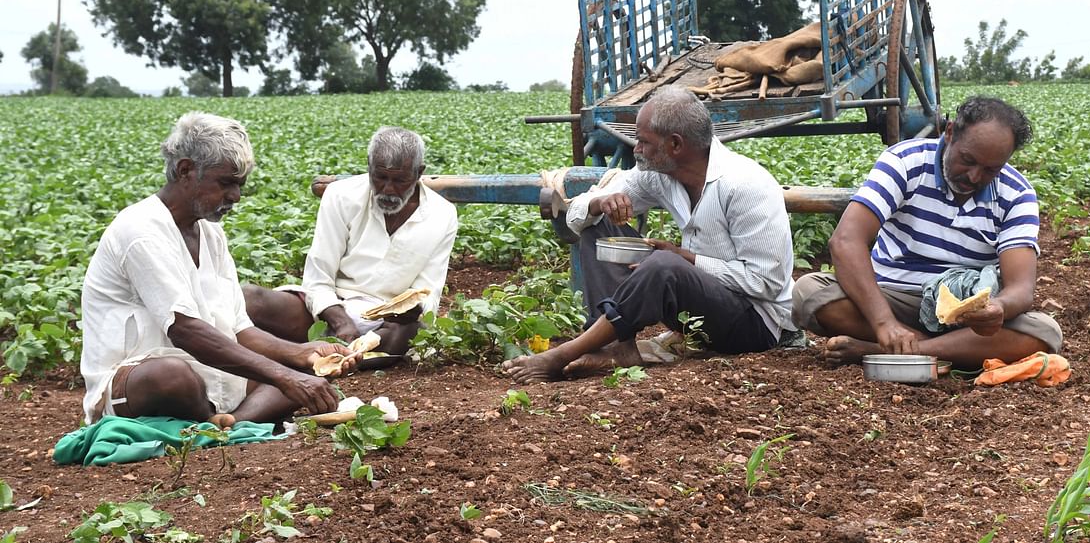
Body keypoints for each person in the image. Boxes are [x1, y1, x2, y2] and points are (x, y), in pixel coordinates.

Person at [503, 86, 795, 383]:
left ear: (675, 145)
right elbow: (579, 216)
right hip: (693, 316)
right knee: (600, 226)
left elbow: (766, 283)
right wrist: (598, 202)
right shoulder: (659, 175)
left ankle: (563, 354)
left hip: (755, 324)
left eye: (643, 141)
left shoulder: (745, 185)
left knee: (665, 266)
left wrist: (686, 259)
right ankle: (615, 347)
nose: (636, 149)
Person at [80, 113, 357, 426]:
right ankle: (226, 420)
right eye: (226, 183)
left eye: (239, 185)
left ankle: (228, 424)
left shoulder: (209, 232)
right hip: (138, 383)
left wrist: (301, 354)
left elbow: (240, 329)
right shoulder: (141, 231)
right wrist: (283, 376)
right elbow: (185, 330)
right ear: (186, 170)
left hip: (212, 378)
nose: (235, 196)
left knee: (308, 375)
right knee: (171, 376)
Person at [791, 96, 1063, 368]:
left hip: (966, 314)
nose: (974, 176)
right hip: (895, 298)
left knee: (1045, 332)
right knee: (810, 292)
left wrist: (999, 308)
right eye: (967, 160)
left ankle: (896, 351)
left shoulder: (1017, 193)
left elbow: (1021, 288)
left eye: (991, 170)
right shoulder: (905, 162)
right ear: (950, 132)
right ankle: (942, 351)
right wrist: (884, 322)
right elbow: (846, 241)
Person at [243, 127, 457, 359]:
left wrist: (410, 308)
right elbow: (318, 278)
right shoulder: (340, 195)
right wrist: (340, 320)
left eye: (400, 180)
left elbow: (428, 292)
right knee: (250, 299)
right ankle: (339, 353)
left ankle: (325, 354)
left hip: (387, 323)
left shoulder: (442, 214)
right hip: (328, 309)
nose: (388, 189)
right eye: (380, 177)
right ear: (368, 166)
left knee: (406, 335)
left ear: (419, 173)